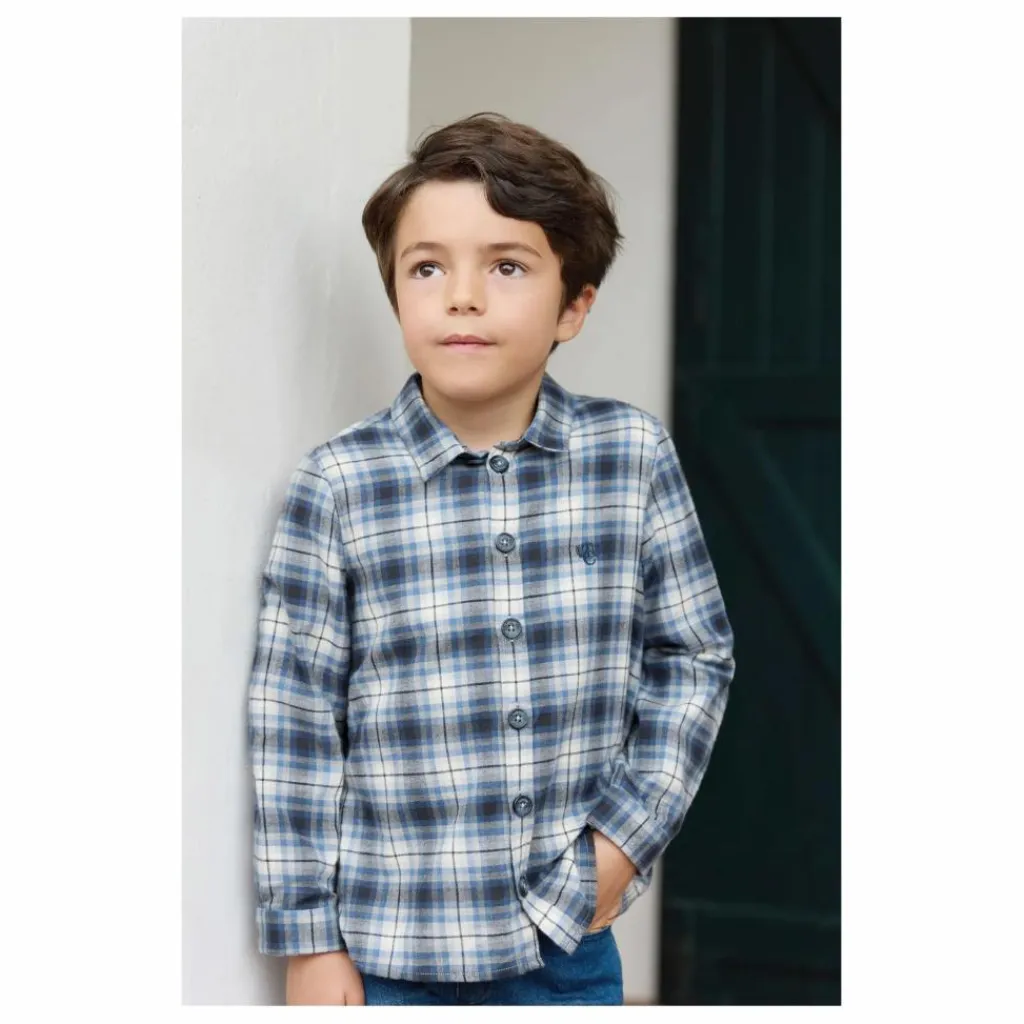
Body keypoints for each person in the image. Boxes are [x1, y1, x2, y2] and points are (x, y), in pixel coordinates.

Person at [248, 112, 735, 1006]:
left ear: (573, 306)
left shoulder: (631, 456)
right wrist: (308, 937)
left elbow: (693, 656)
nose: (461, 297)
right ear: (396, 294)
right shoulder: (339, 484)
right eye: (427, 268)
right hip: (387, 952)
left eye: (506, 266)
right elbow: (296, 718)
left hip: (563, 945)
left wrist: (621, 847)